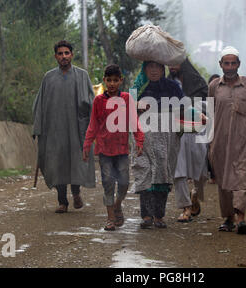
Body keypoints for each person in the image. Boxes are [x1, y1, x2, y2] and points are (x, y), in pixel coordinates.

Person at [32, 40, 96, 213]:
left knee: (75, 161)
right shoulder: (49, 77)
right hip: (54, 130)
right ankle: (62, 202)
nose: (64, 57)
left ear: (72, 55)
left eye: (66, 53)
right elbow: (39, 105)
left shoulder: (82, 75)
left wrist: (91, 125)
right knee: (57, 163)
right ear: (55, 56)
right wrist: (38, 128)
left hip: (77, 128)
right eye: (60, 54)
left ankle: (76, 193)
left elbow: (92, 102)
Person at [83, 64, 144, 231]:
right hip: (103, 149)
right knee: (108, 182)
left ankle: (117, 205)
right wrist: (87, 145)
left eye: (115, 80)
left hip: (122, 149)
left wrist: (139, 140)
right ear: (104, 81)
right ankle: (110, 218)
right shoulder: (98, 101)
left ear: (120, 81)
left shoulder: (126, 99)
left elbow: (134, 121)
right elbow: (93, 124)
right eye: (108, 80)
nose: (111, 84)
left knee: (124, 183)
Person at [208, 46, 246, 235]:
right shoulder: (214, 86)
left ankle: (241, 218)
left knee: (243, 177)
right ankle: (228, 218)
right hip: (220, 140)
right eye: (226, 63)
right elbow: (211, 112)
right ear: (221, 65)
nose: (230, 67)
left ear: (239, 64)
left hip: (243, 139)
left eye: (233, 63)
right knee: (224, 179)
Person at [131, 61, 184, 229]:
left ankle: (159, 215)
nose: (153, 70)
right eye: (150, 66)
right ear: (144, 68)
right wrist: (136, 106)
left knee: (163, 172)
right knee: (144, 171)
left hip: (166, 137)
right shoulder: (138, 87)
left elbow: (183, 108)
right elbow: (125, 108)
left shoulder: (172, 87)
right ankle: (146, 215)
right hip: (143, 137)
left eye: (157, 67)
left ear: (163, 69)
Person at [168, 60, 209, 222]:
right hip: (178, 132)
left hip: (198, 131)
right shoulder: (168, 84)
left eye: (175, 63)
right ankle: (185, 208)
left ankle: (195, 196)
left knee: (202, 172)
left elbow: (207, 106)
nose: (171, 67)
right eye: (169, 64)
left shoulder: (199, 84)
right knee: (179, 172)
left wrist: (189, 107)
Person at [206, 74, 220, 184]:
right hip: (210, 128)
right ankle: (213, 174)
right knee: (211, 152)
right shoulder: (206, 99)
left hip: (223, 128)